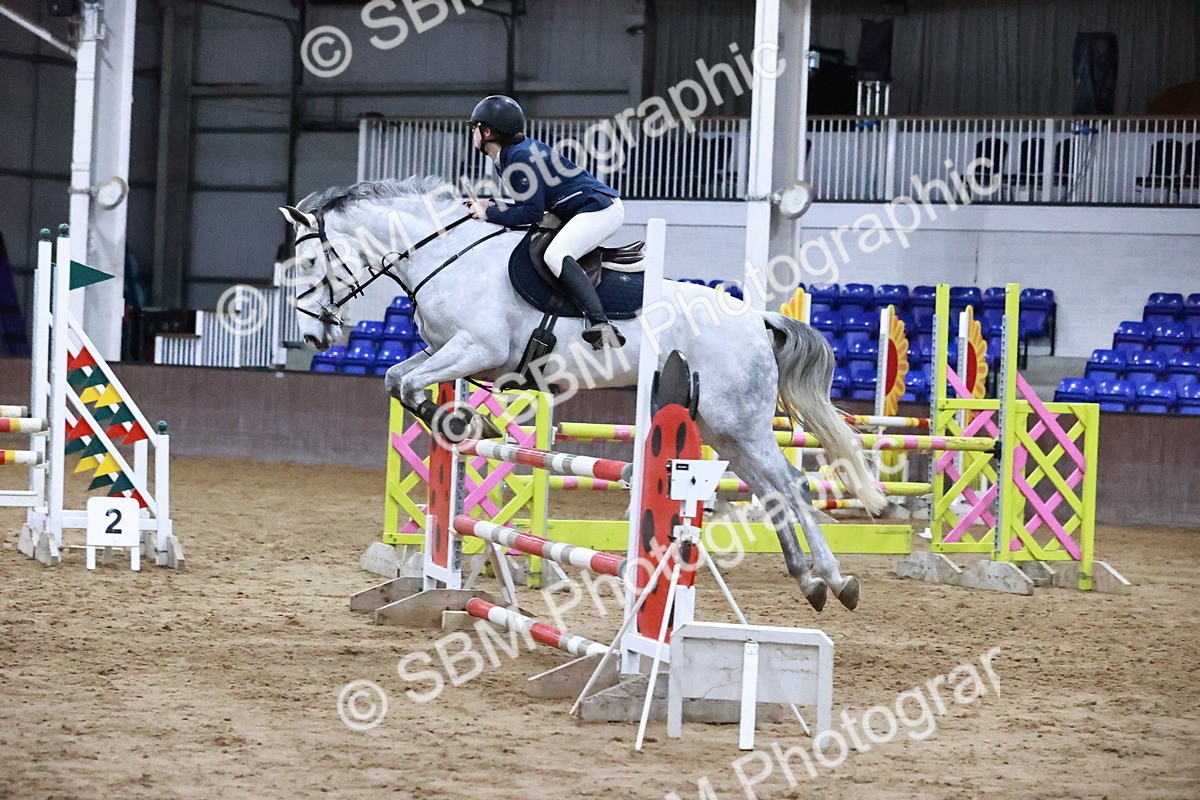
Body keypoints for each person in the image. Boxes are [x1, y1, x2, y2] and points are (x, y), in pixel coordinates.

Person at [465, 95, 626, 349]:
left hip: (599, 208)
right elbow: (529, 205)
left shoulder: (519, 158)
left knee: (556, 255)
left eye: (475, 127)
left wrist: (490, 214)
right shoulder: (508, 156)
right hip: (576, 208)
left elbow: (530, 214)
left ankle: (600, 323)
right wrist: (492, 207)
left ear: (487, 132)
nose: (472, 133)